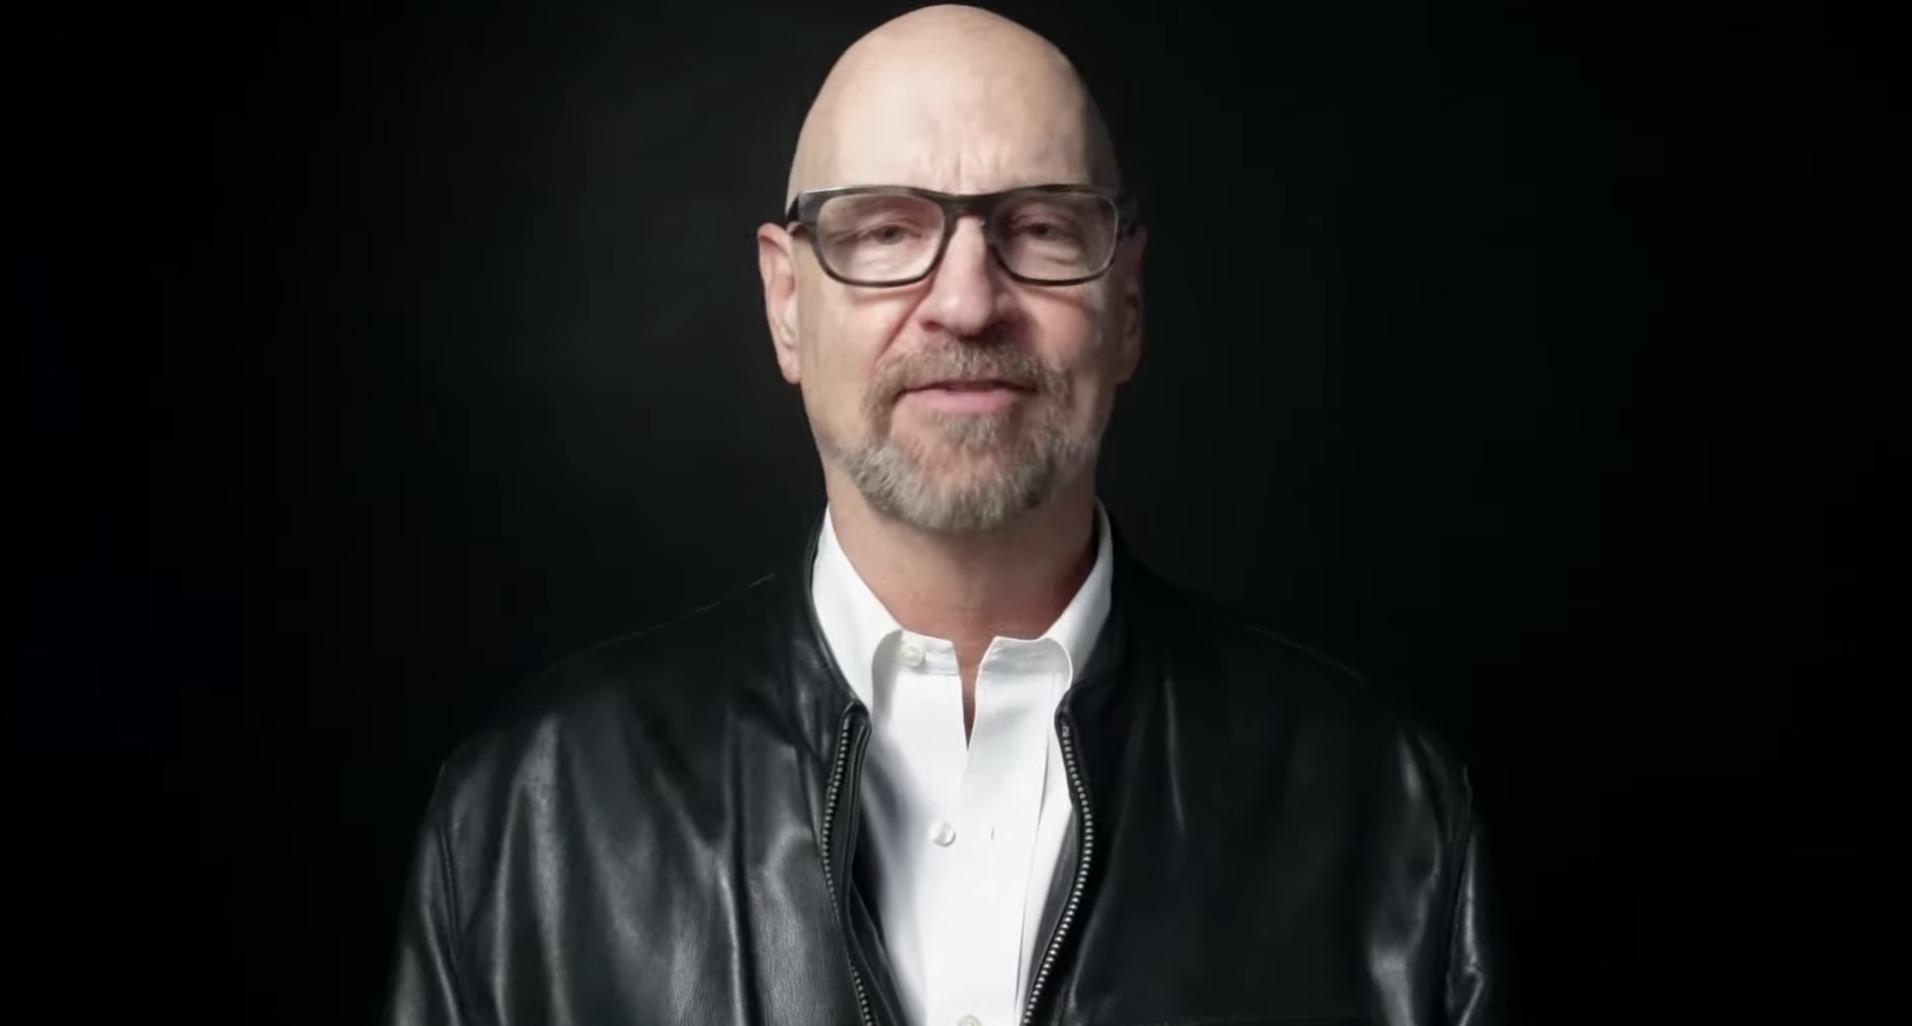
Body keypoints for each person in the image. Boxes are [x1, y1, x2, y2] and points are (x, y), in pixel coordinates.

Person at [383, 6, 1503, 1025]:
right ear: (786, 304)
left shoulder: (1385, 815)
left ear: (1127, 309)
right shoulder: (528, 822)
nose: (966, 301)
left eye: (1043, 229)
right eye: (881, 232)